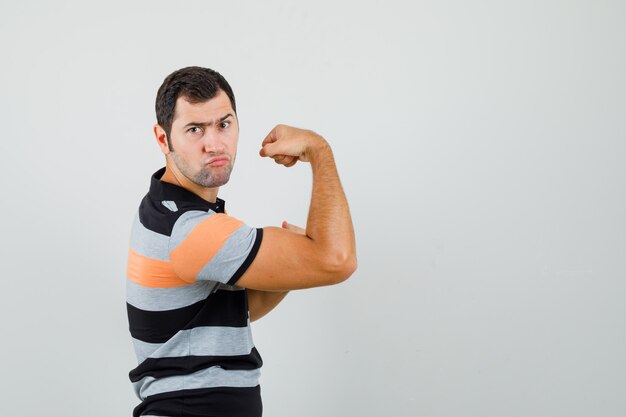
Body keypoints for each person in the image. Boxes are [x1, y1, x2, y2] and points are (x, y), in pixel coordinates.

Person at [126, 66, 357, 417]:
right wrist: (319, 150)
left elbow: (234, 311)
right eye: (194, 129)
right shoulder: (189, 229)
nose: (215, 143)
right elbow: (338, 260)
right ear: (163, 139)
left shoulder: (164, 207)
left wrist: (288, 267)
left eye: (224, 124)